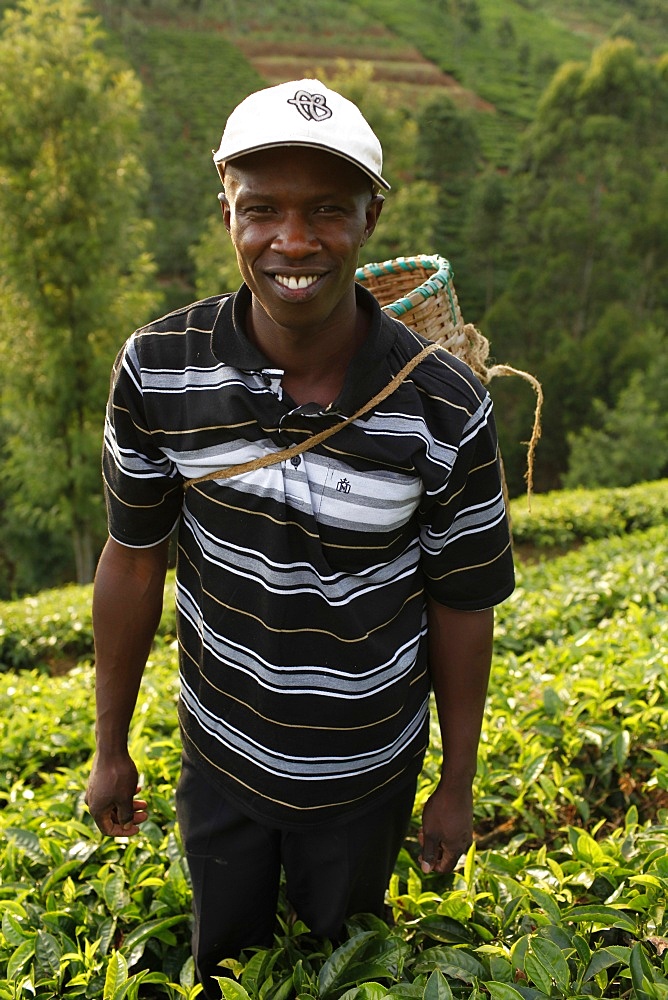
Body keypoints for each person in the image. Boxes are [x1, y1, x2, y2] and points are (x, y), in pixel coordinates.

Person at [86, 78, 515, 997]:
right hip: (220, 753)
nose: (294, 241)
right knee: (227, 968)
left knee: (340, 967)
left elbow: (461, 603)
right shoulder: (159, 369)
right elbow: (132, 557)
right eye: (263, 210)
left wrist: (456, 780)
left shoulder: (444, 405)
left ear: (370, 219)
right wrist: (108, 742)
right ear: (228, 214)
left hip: (370, 772)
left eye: (327, 209)